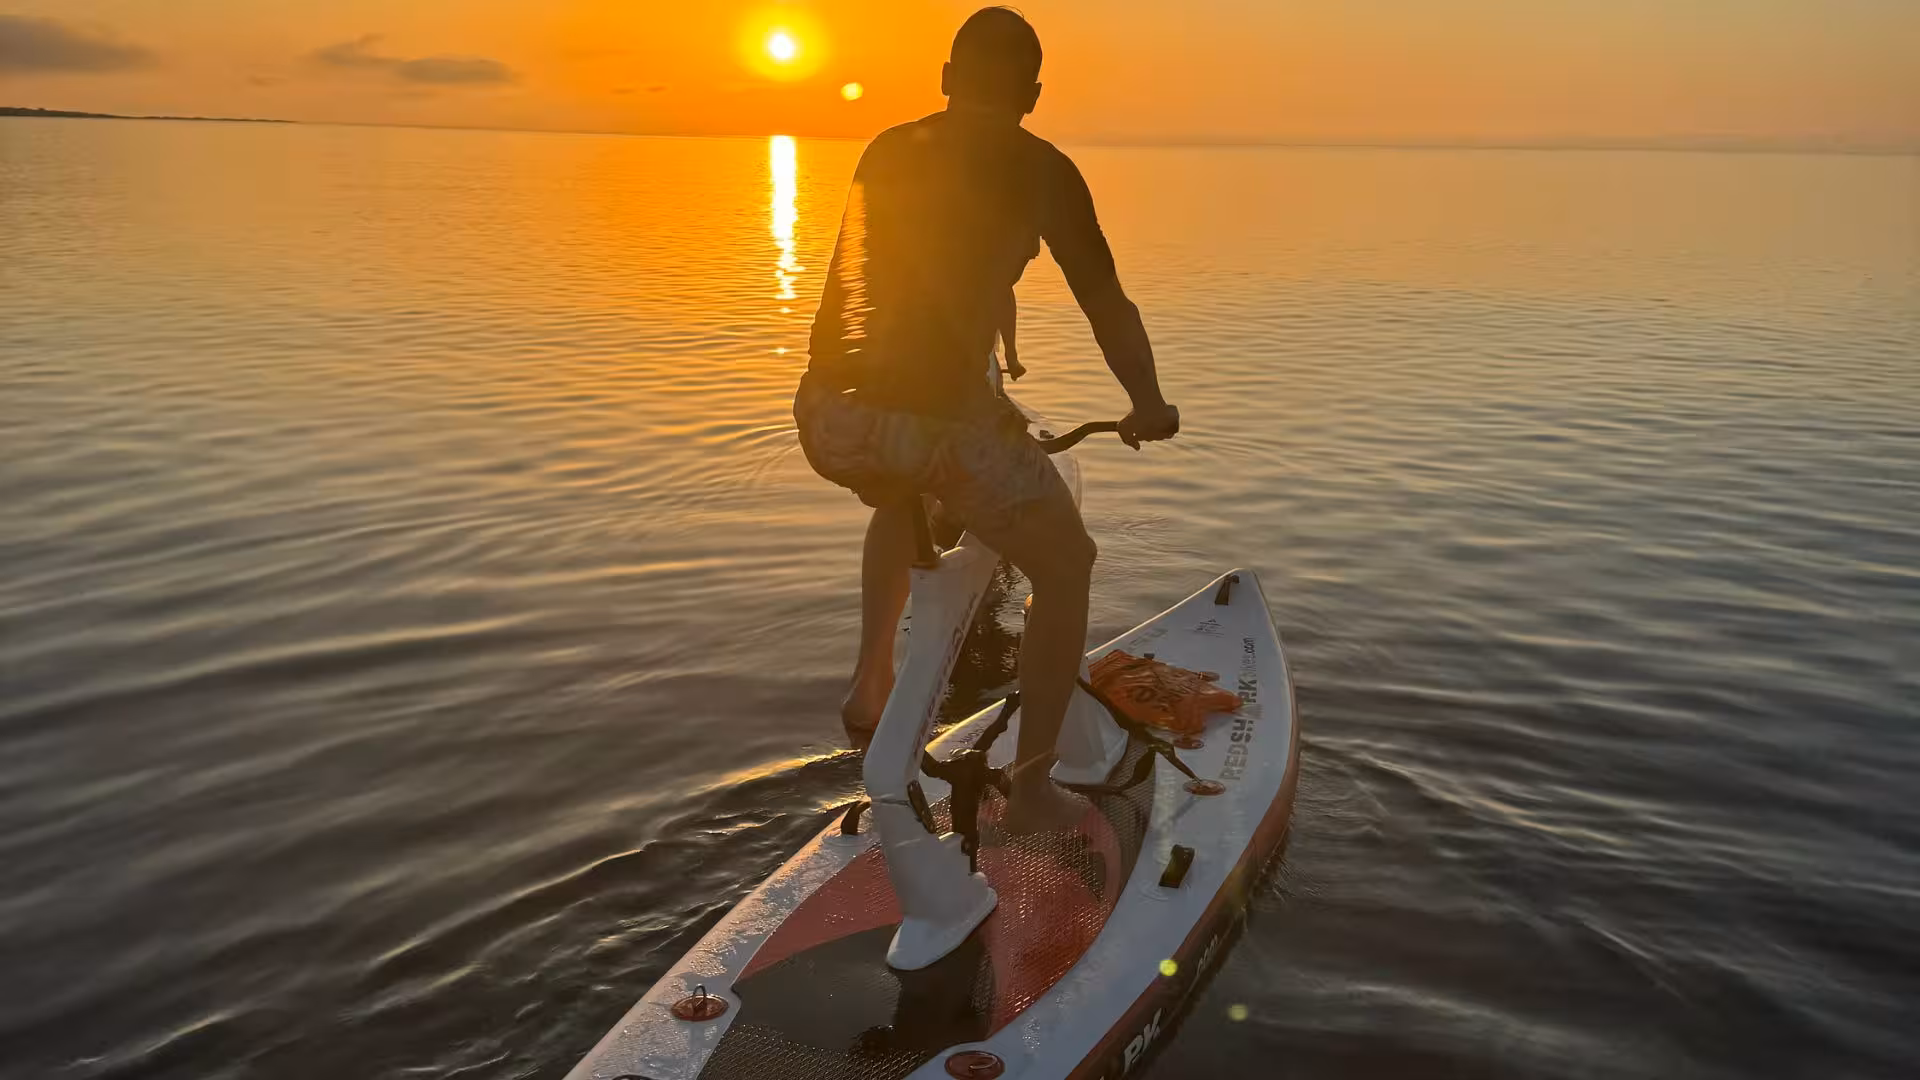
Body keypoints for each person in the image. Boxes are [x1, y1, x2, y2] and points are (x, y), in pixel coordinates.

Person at [793, 7, 1178, 833]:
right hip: (939, 424)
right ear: (1033, 94)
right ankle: (1035, 790)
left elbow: (899, 281)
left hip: (830, 415)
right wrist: (1147, 405)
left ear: (944, 80)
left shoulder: (887, 148)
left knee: (904, 489)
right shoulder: (1042, 168)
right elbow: (1106, 304)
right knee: (1067, 560)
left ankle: (871, 683)